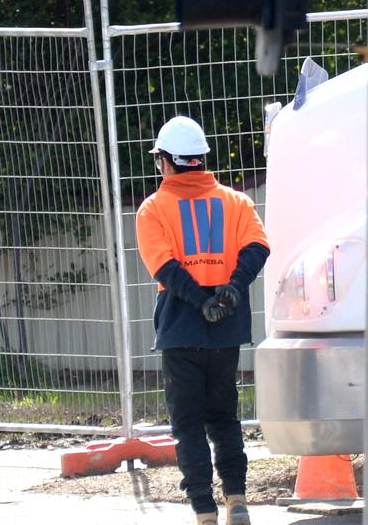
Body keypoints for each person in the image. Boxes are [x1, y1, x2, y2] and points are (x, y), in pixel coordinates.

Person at [135, 116, 270, 525]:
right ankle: (237, 498)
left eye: (159, 159)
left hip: (181, 329)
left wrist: (199, 300)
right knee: (224, 417)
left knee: (188, 424)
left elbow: (165, 268)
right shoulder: (236, 202)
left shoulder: (153, 209)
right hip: (227, 330)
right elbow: (257, 247)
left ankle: (204, 511)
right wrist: (230, 288)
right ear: (202, 159)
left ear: (169, 161)